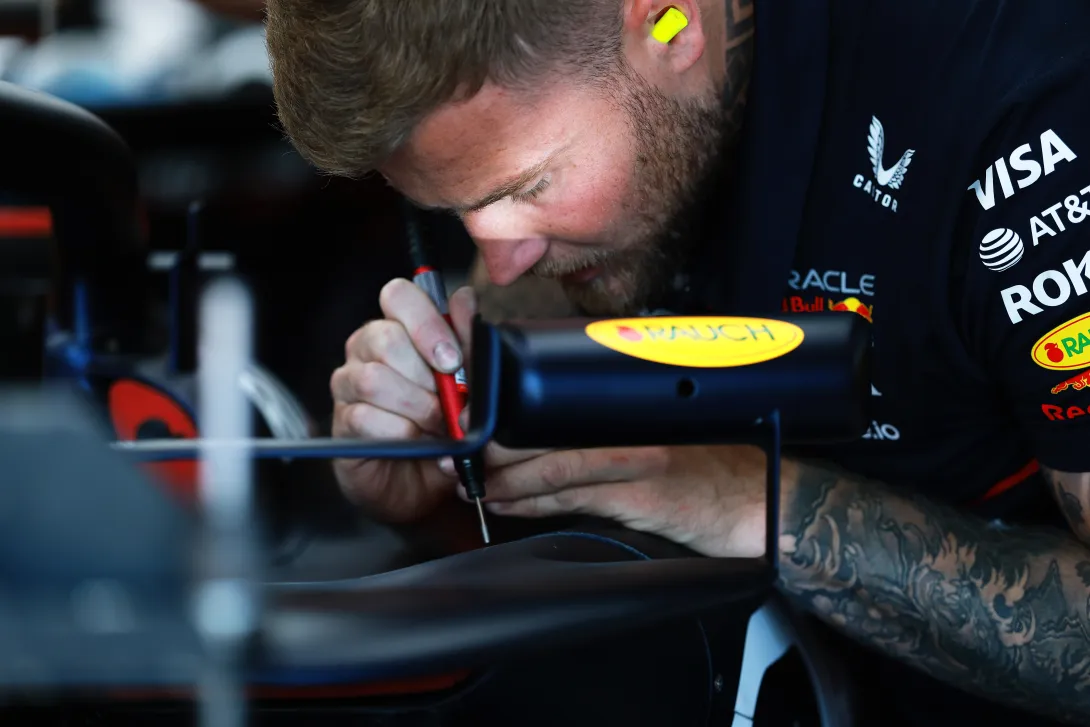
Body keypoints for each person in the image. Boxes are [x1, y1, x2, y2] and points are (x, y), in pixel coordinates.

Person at [259, 0, 1090, 724]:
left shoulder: (1025, 107)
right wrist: (440, 464)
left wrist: (744, 500)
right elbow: (511, 313)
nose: (500, 265)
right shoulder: (566, 123)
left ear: (670, 24)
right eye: (454, 212)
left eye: (528, 188)